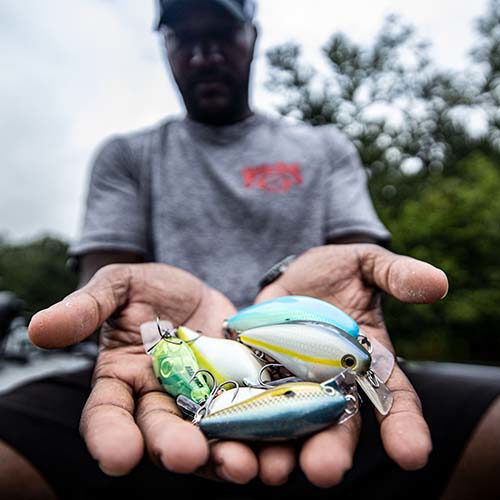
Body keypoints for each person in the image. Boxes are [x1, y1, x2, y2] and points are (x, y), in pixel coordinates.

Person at [1, 1, 499, 498]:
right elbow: (107, 271)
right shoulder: (127, 155)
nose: (204, 55)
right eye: (185, 38)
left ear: (252, 38)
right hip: (149, 378)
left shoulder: (326, 148)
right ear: (166, 47)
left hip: (326, 384)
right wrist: (144, 314)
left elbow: (358, 257)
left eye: (220, 32)